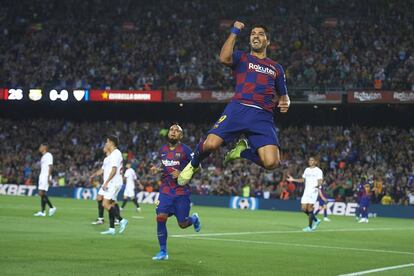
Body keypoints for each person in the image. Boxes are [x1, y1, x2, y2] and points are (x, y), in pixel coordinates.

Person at [178, 21, 290, 186]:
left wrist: (285, 101)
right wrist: (234, 31)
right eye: (252, 34)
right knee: (211, 144)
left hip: (262, 116)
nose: (255, 36)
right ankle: (193, 164)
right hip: (239, 108)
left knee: (272, 163)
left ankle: (243, 152)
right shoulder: (242, 57)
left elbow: (284, 95)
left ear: (268, 41)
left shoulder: (276, 68)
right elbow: (224, 58)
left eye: (260, 34)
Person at [150, 124, 201, 261]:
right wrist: (158, 170)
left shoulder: (186, 150)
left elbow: (198, 167)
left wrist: (183, 173)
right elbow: (166, 167)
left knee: (182, 224)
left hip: (181, 192)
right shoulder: (162, 150)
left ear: (181, 136)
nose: (173, 132)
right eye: (171, 130)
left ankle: (194, 219)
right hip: (165, 191)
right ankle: (163, 251)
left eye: (176, 131)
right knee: (161, 217)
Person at [100, 135, 128, 235]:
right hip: (114, 182)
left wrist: (106, 182)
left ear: (112, 143)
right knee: (111, 204)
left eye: (107, 142)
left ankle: (122, 220)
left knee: (105, 204)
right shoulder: (113, 154)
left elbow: (114, 169)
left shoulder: (116, 153)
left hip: (114, 183)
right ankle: (111, 229)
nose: (106, 143)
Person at [287, 157, 323, 232]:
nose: (310, 161)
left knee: (309, 208)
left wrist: (318, 185)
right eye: (309, 160)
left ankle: (310, 227)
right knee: (303, 209)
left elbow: (320, 180)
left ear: (315, 162)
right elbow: (303, 180)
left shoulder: (318, 171)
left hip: (314, 191)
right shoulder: (307, 170)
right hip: (306, 191)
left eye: (312, 160)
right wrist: (293, 179)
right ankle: (316, 220)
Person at [34, 143, 57, 217]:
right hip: (42, 176)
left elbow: (50, 166)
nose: (39, 148)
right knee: (42, 193)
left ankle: (52, 207)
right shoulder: (43, 156)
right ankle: (43, 212)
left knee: (41, 193)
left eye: (41, 146)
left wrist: (48, 177)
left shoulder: (48, 155)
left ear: (45, 147)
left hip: (45, 176)